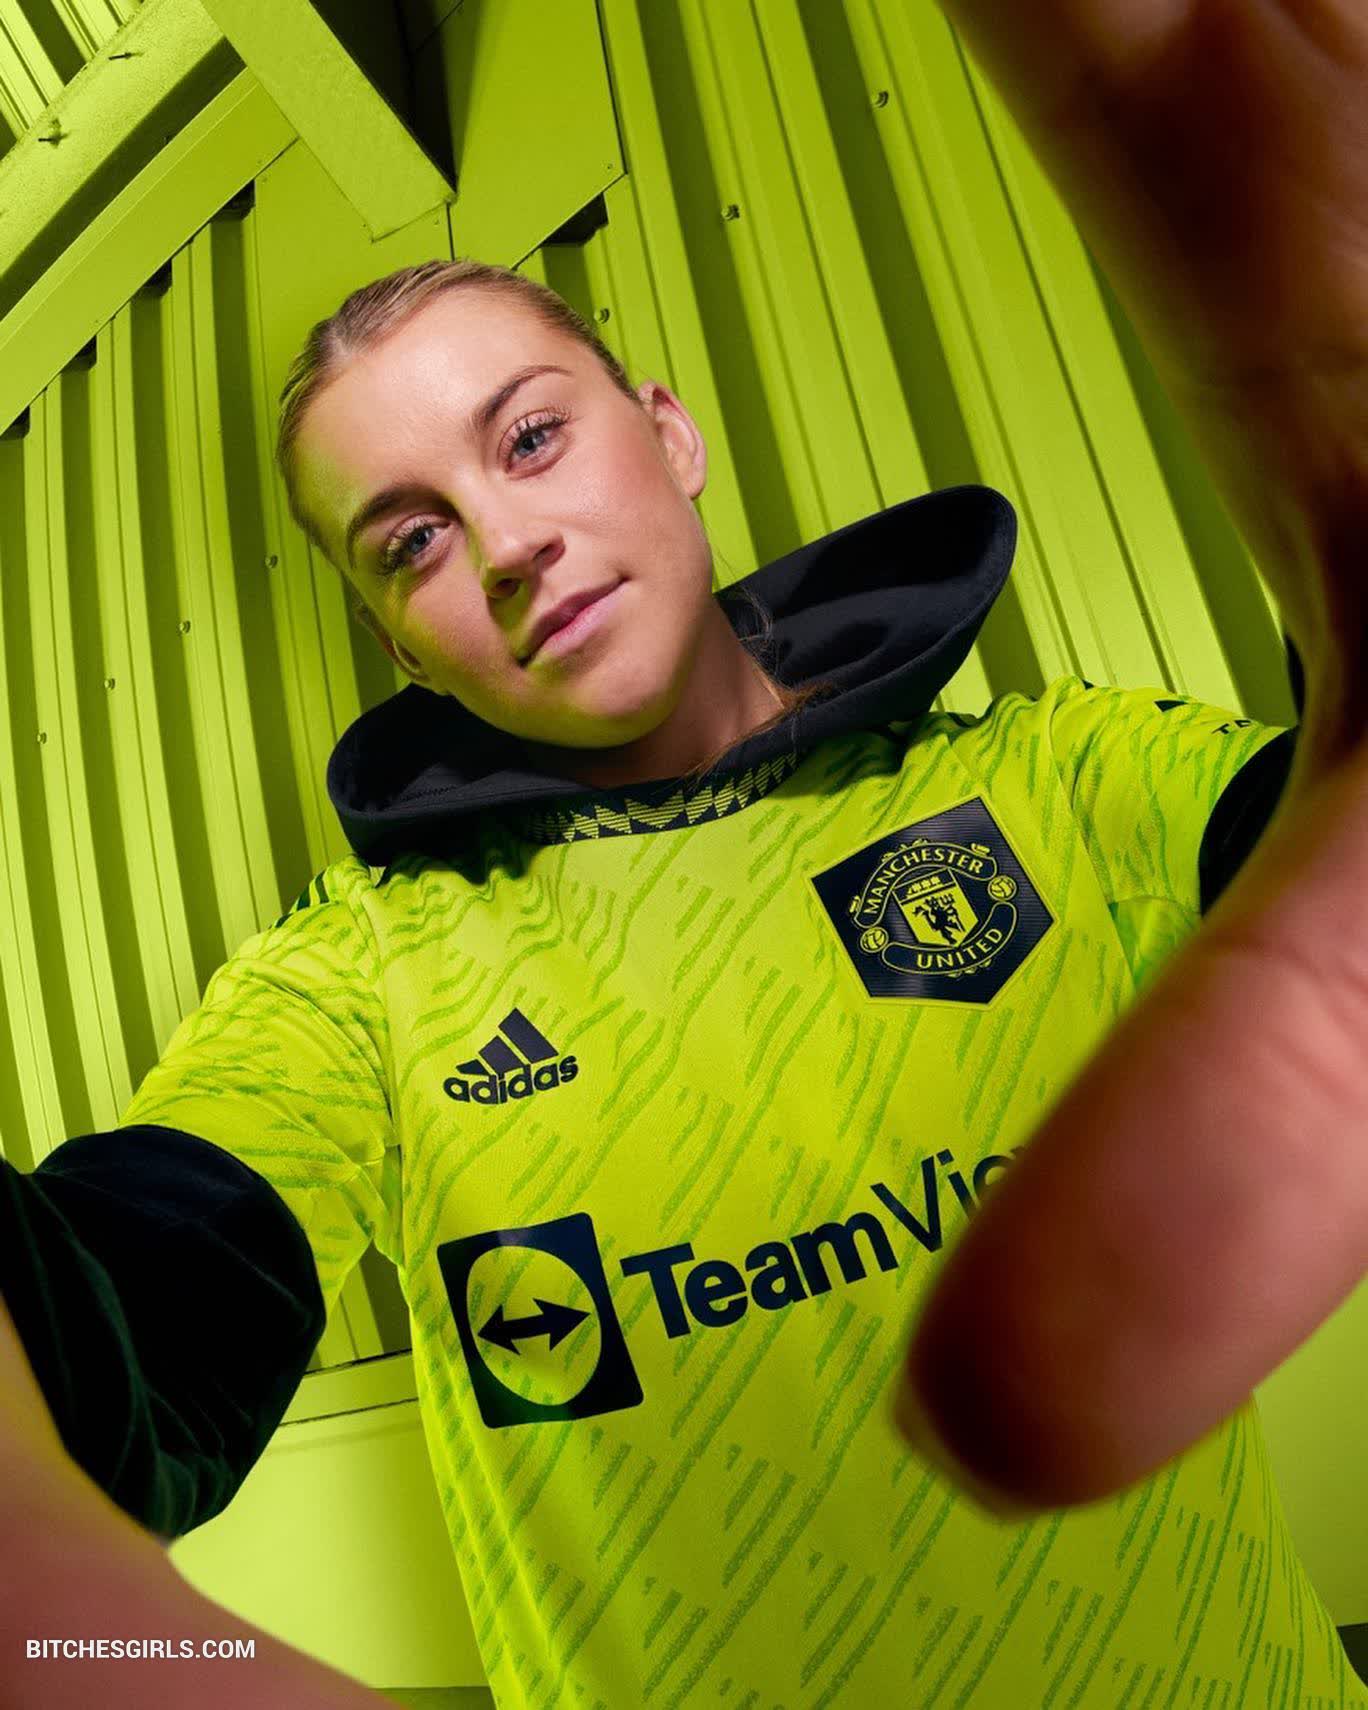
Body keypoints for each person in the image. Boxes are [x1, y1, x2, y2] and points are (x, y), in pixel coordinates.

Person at [1, 253, 1361, 1709]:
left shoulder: (1067, 779)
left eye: (531, 437)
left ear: (669, 435)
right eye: (412, 542)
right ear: (398, 645)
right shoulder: (356, 981)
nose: (506, 543)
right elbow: (128, 1320)